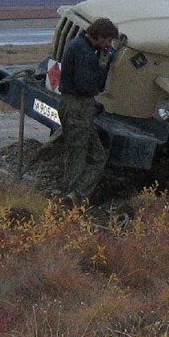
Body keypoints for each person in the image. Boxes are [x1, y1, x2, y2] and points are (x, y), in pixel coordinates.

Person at [57, 17, 119, 204]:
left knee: (97, 156)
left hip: (76, 106)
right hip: (78, 107)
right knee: (77, 156)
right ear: (99, 36)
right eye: (108, 40)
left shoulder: (78, 45)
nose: (108, 44)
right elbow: (88, 86)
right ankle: (69, 200)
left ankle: (75, 195)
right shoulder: (84, 52)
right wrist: (102, 66)